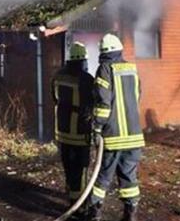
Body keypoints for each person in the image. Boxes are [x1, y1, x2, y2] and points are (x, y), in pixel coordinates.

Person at [88, 34, 144, 221]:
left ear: (103, 52)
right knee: (129, 178)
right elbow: (137, 97)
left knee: (103, 176)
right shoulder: (132, 68)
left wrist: (97, 128)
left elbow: (103, 104)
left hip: (113, 136)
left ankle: (94, 213)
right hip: (135, 135)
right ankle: (131, 214)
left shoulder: (104, 69)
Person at [52, 42, 95, 219]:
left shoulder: (58, 76)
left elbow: (55, 99)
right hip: (79, 132)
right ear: (83, 59)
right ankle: (80, 206)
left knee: (68, 166)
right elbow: (91, 104)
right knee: (81, 169)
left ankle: (71, 195)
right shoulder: (86, 79)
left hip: (62, 131)